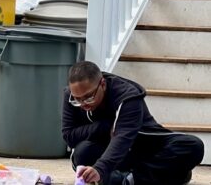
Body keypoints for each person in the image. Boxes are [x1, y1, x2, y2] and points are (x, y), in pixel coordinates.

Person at [62, 61, 204, 185]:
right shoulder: (70, 96)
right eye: (77, 99)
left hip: (144, 146)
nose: (82, 104)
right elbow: (69, 136)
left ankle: (131, 179)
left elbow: (122, 137)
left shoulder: (128, 96)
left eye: (88, 97)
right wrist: (104, 127)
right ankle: (161, 175)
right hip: (114, 154)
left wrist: (100, 168)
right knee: (82, 153)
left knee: (193, 146)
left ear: (103, 84)